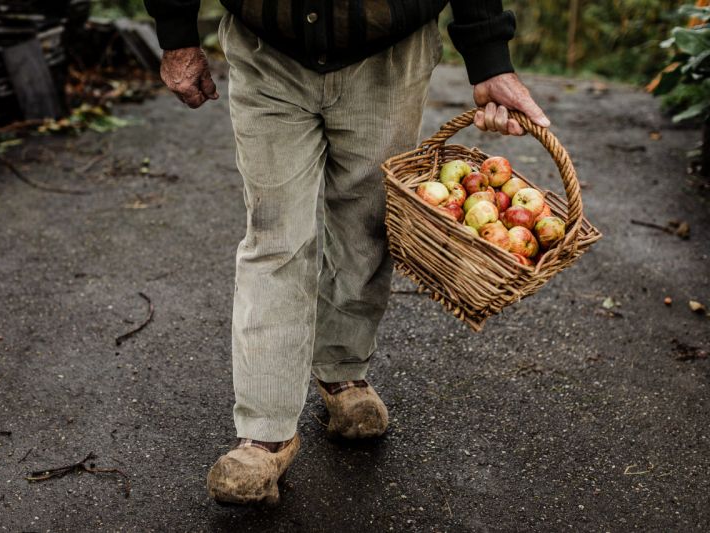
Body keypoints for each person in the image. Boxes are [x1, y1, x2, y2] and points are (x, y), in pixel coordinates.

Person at [143, 0, 550, 505]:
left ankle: (341, 371)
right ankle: (265, 435)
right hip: (268, 48)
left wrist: (490, 56)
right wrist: (177, 33)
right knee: (274, 236)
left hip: (388, 57)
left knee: (367, 225)